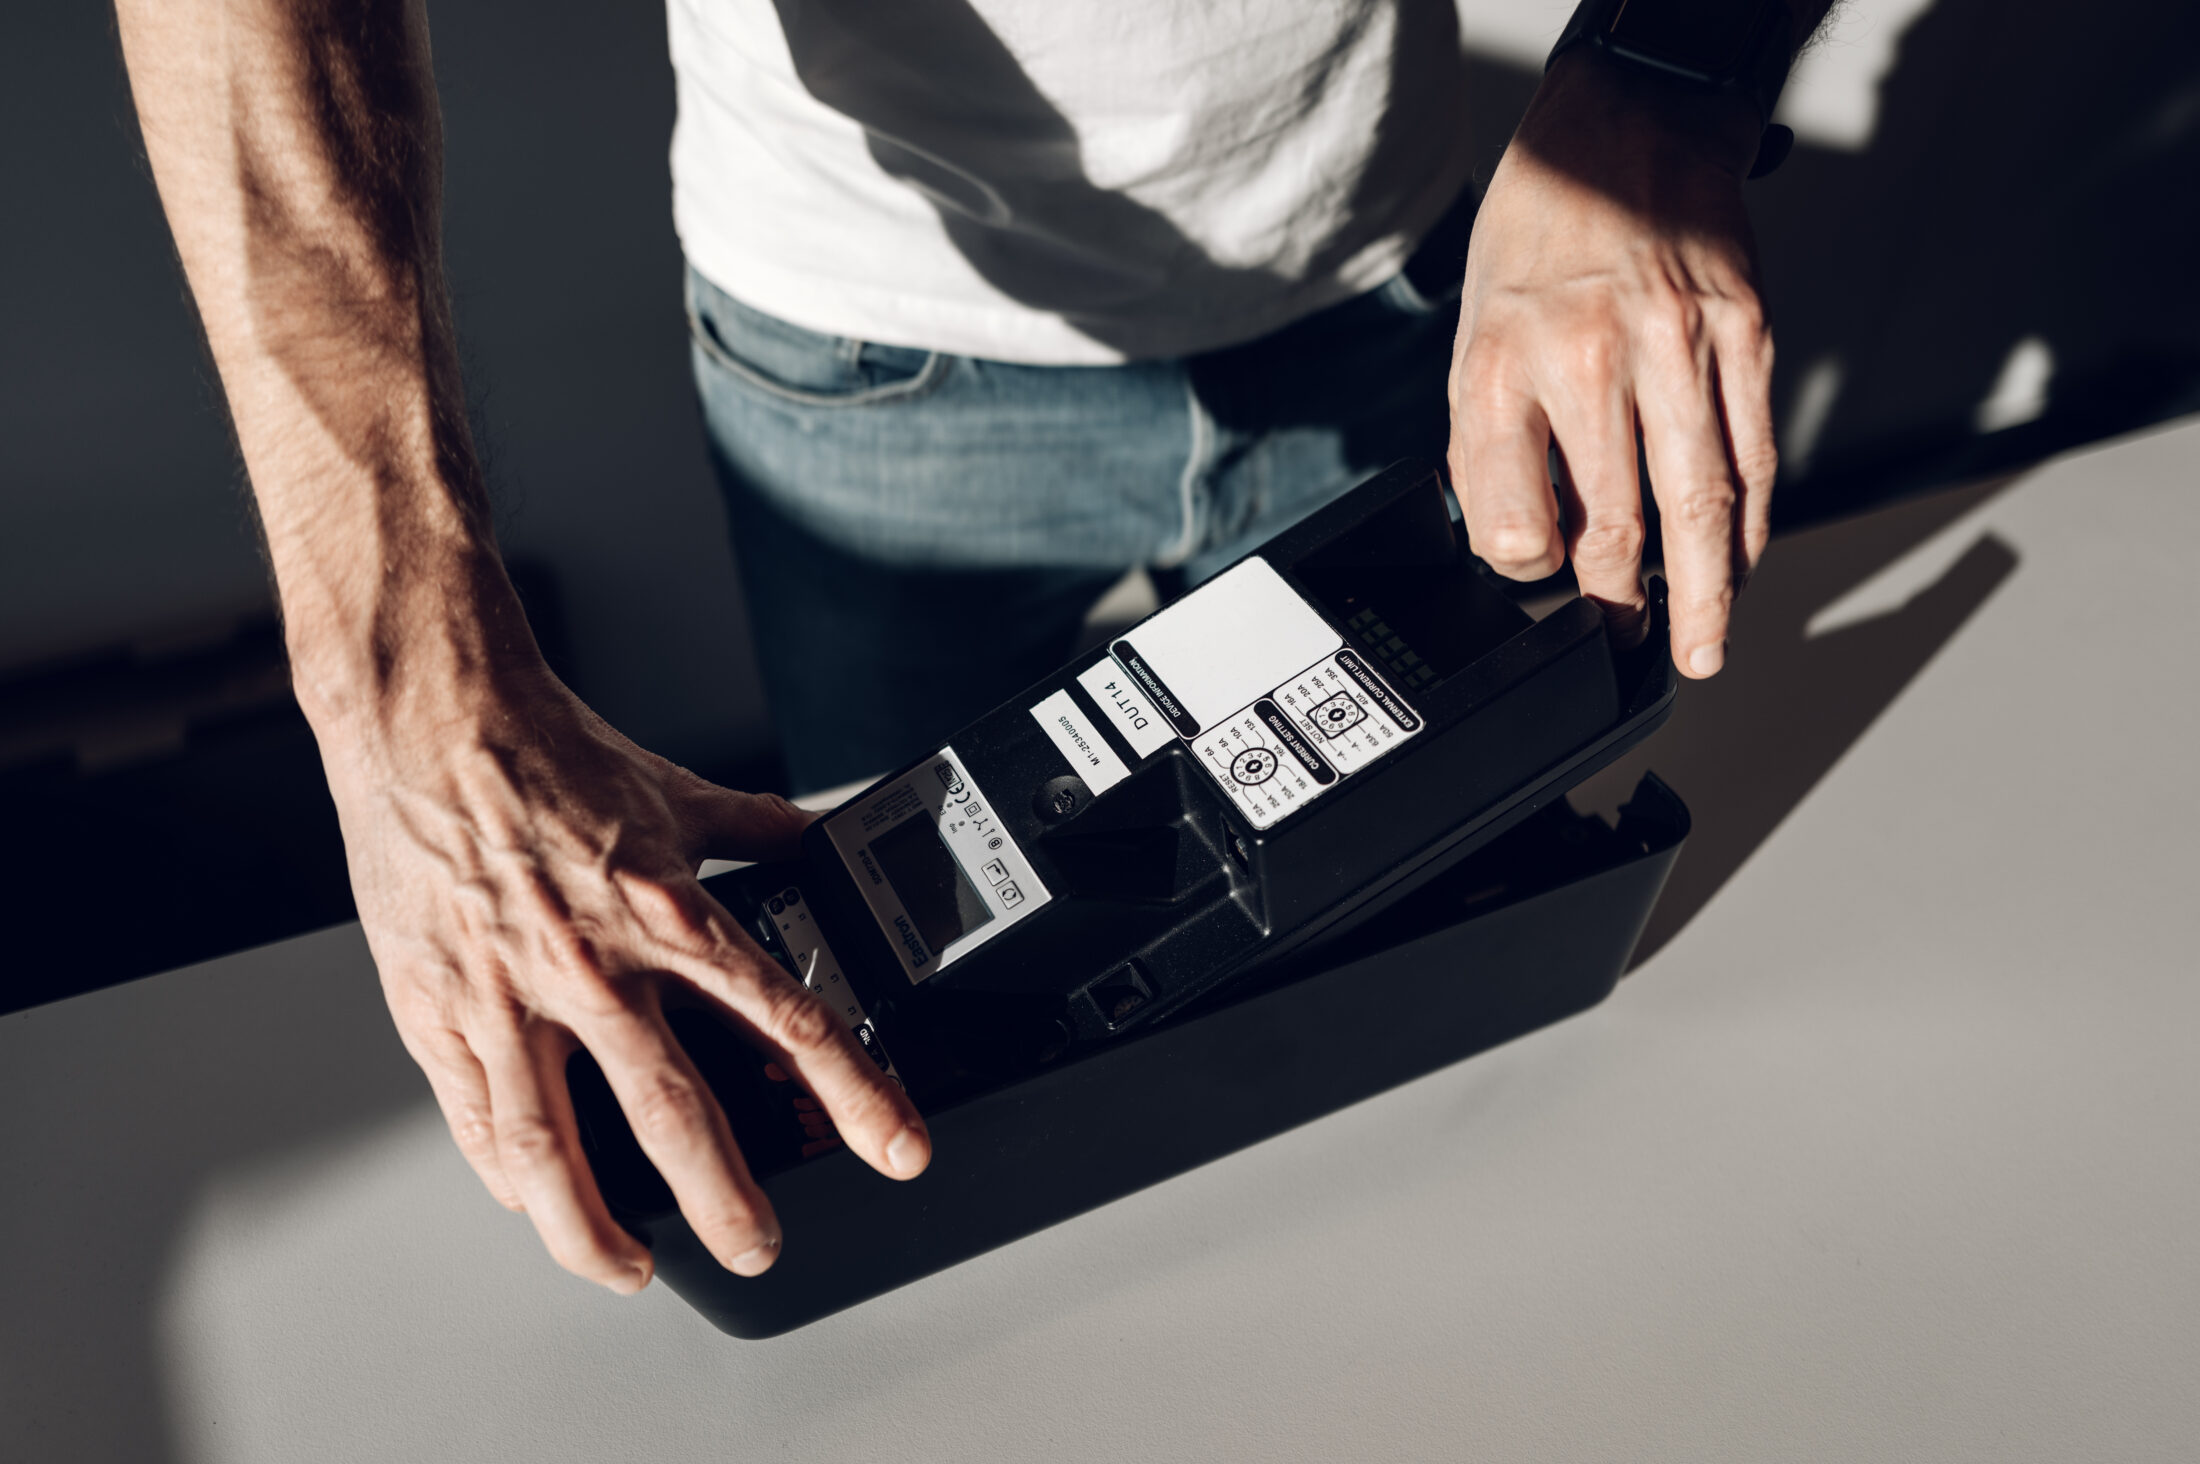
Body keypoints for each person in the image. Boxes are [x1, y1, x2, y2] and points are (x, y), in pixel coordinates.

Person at [112, 0, 1831, 1293]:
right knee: (928, 1031)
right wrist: (400, 664)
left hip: (1390, 261)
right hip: (872, 351)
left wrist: (1668, 70)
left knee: (1387, 993)